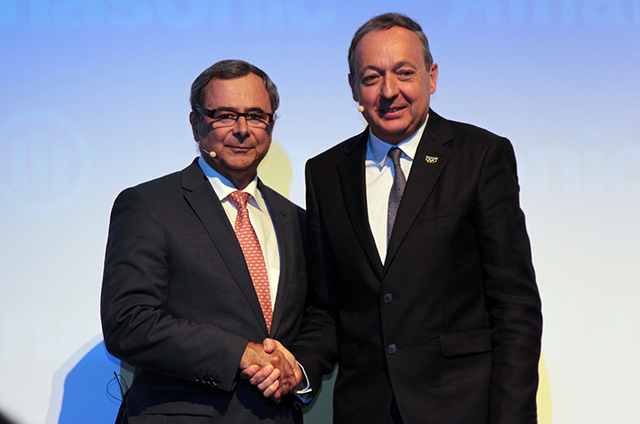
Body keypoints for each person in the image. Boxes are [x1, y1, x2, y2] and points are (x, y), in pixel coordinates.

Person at [303, 13, 543, 424]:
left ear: (431, 77)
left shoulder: (481, 156)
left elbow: (514, 306)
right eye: (372, 77)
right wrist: (297, 367)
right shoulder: (325, 173)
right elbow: (327, 307)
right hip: (365, 411)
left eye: (404, 73)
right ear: (353, 86)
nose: (389, 91)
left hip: (462, 409)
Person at [101, 59, 314, 423]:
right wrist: (238, 353)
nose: (242, 129)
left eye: (256, 115)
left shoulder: (297, 220)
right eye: (225, 115)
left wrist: (298, 368)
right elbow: (128, 322)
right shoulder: (148, 205)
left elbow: (319, 317)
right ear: (196, 123)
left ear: (271, 124)